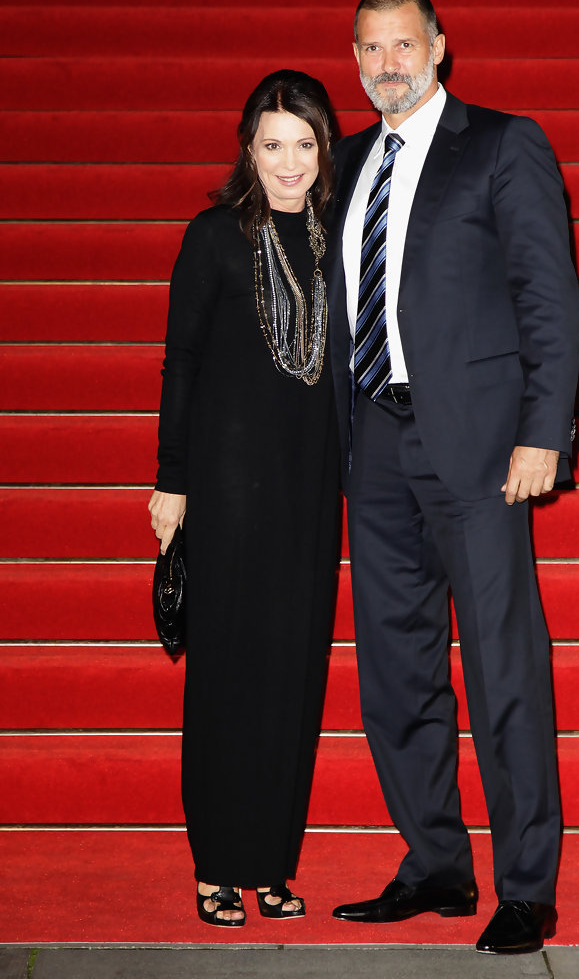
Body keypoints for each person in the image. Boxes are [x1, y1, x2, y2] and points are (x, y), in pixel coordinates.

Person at [326, 0, 579, 954]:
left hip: (478, 449)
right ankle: (435, 861)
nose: (386, 63)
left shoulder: (503, 145)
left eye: (403, 44)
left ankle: (526, 886)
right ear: (355, 59)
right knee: (396, 670)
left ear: (439, 45)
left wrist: (542, 431)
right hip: (374, 445)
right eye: (370, 48)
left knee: (504, 667)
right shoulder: (347, 162)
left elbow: (548, 295)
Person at [148, 69, 341, 927]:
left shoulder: (340, 239)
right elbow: (180, 362)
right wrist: (172, 480)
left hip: (309, 484)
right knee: (227, 673)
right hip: (226, 487)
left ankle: (270, 861)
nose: (288, 162)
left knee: (292, 674)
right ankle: (217, 864)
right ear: (248, 149)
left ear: (324, 149)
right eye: (272, 145)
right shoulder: (213, 237)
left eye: (303, 144)